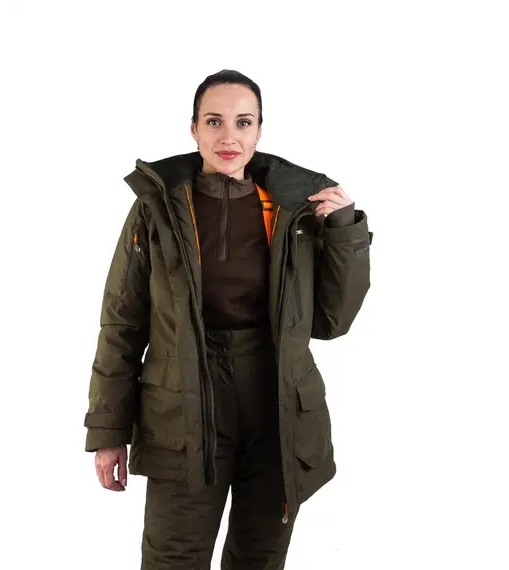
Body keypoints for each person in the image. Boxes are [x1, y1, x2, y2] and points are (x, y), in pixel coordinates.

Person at [83, 69, 373, 569]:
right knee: (172, 558)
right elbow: (122, 323)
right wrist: (108, 430)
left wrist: (344, 232)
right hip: (183, 408)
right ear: (193, 129)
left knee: (259, 558)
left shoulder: (293, 211)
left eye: (243, 122)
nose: (229, 136)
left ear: (259, 130)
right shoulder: (157, 210)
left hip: (275, 405)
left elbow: (331, 320)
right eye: (214, 121)